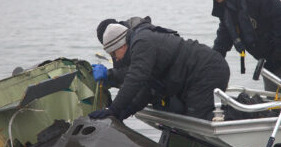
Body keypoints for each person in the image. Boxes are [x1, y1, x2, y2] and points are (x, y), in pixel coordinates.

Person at [89, 21, 230, 121]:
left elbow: (135, 79)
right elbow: (147, 89)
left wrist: (113, 109)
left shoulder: (141, 42)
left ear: (120, 45)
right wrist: (123, 113)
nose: (116, 60)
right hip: (196, 75)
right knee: (186, 115)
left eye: (113, 54)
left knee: (198, 119)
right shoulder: (137, 46)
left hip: (208, 70)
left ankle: (244, 113)